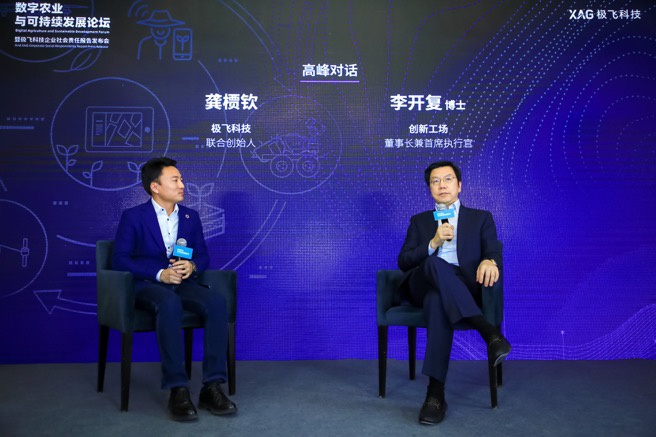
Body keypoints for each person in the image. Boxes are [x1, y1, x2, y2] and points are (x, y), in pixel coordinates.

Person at [112, 157, 237, 421]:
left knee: (216, 302)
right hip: (147, 285)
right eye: (175, 180)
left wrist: (192, 266)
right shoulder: (133, 217)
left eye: (181, 179)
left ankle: (212, 386)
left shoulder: (191, 217)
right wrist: (159, 273)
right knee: (169, 303)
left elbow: (203, 255)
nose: (182, 185)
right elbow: (119, 259)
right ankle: (178, 389)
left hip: (182, 284)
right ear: (155, 187)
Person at [397, 161, 511, 425]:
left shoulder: (481, 218)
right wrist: (433, 243)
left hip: (460, 286)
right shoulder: (419, 221)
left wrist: (490, 261)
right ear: (430, 188)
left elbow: (492, 250)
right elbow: (403, 261)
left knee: (437, 300)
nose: (442, 185)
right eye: (435, 181)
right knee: (435, 263)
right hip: (422, 281)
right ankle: (488, 332)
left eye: (447, 179)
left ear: (459, 185)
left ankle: (435, 395)